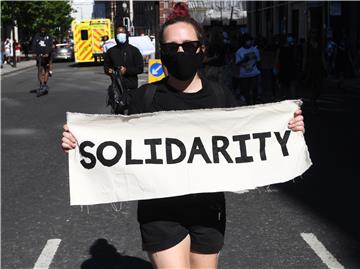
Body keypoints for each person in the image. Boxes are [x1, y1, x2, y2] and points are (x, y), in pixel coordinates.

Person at [62, 11, 305, 269]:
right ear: (162, 52)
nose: (180, 52)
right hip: (160, 211)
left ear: (201, 49)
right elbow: (117, 145)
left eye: (188, 46)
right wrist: (78, 142)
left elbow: (250, 137)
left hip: (208, 209)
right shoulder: (145, 98)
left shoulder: (221, 97)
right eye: (172, 47)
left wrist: (288, 128)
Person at [104, 25, 144, 91]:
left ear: (126, 34)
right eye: (118, 33)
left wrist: (126, 71)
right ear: (115, 35)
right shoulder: (111, 51)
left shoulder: (134, 50)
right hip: (116, 88)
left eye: (122, 32)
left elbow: (140, 69)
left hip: (131, 88)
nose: (120, 35)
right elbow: (106, 66)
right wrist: (109, 70)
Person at [235, 34, 261, 105]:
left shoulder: (255, 50)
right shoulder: (239, 51)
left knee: (254, 89)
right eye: (248, 41)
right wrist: (244, 60)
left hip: (254, 73)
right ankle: (248, 104)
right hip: (244, 74)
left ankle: (255, 103)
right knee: (246, 90)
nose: (249, 42)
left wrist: (259, 70)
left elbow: (258, 61)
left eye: (250, 41)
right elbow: (237, 64)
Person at [32, 25, 53, 96]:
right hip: (39, 56)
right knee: (40, 70)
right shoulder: (37, 36)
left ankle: (45, 84)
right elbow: (34, 44)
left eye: (44, 29)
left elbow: (50, 45)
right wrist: (34, 52)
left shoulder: (49, 36)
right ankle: (41, 84)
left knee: (46, 70)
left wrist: (47, 53)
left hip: (47, 56)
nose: (43, 30)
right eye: (42, 29)